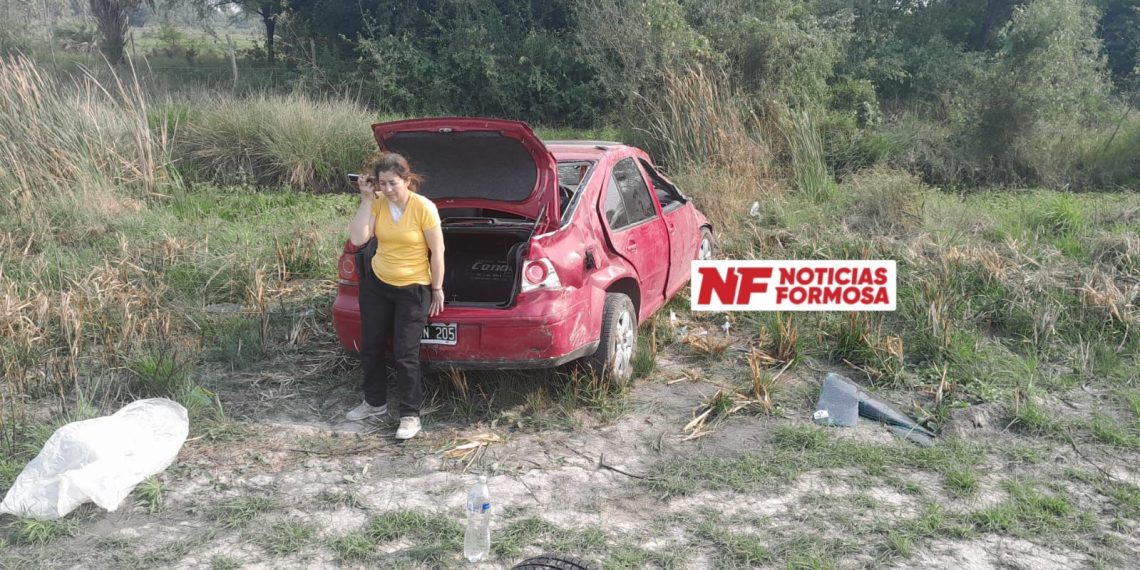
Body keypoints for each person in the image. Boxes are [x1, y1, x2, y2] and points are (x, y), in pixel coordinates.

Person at [346, 152, 445, 440]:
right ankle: (374, 403)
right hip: (377, 284)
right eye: (382, 184)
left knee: (405, 353)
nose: (387, 190)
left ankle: (410, 415)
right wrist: (366, 200)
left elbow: (437, 251)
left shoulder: (424, 207)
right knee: (371, 346)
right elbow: (358, 239)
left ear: (407, 179)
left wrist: (436, 288)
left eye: (393, 183)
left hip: (413, 288)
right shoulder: (377, 202)